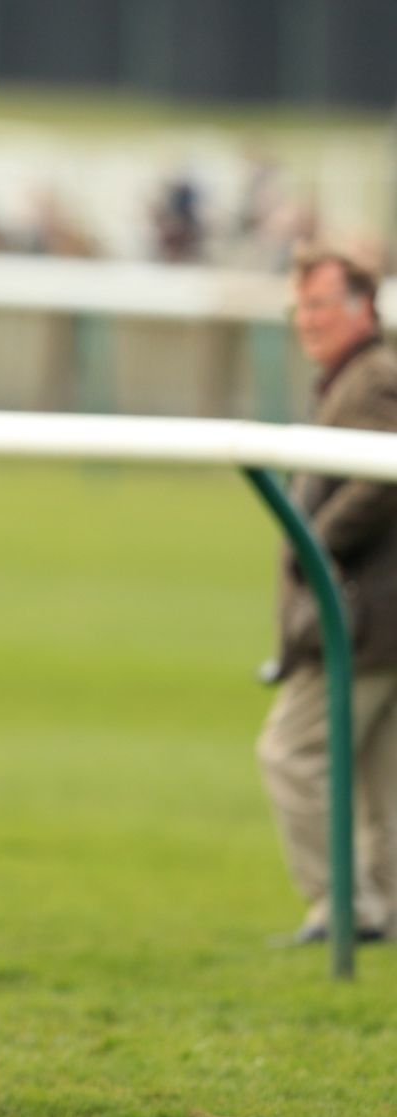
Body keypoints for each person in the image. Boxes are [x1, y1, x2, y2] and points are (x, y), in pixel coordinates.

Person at [257, 245, 397, 944]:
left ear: (362, 307)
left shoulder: (374, 378)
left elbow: (381, 478)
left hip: (363, 616)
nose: (307, 320)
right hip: (376, 613)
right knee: (380, 775)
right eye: (301, 306)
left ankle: (345, 906)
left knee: (289, 752)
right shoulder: (359, 374)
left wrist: (314, 541)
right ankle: (381, 908)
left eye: (321, 305)